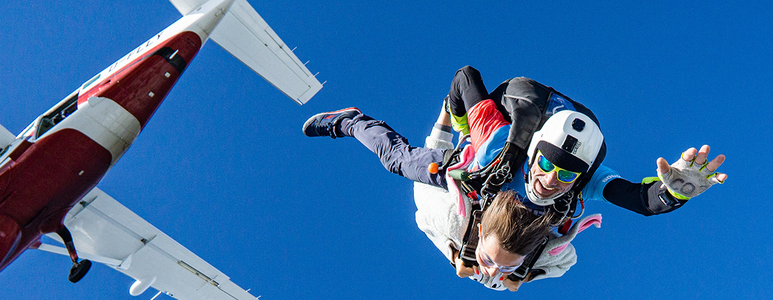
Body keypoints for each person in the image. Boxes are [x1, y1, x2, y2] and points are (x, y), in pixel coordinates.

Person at [301, 66, 727, 290]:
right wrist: (458, 119)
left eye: (566, 174)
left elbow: (638, 200)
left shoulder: (584, 178)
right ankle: (352, 121)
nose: (550, 180)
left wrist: (673, 192)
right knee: (399, 161)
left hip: (525, 161)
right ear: (534, 152)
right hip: (493, 133)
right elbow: (465, 75)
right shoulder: (493, 146)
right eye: (546, 166)